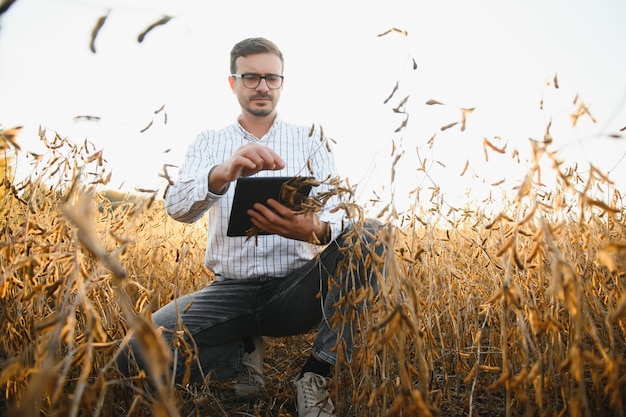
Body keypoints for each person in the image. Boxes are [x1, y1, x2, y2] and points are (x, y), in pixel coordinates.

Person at [121, 37, 385, 417]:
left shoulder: (311, 139)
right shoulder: (209, 142)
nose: (262, 86)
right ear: (234, 83)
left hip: (296, 289)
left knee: (373, 232)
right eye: (251, 77)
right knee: (133, 357)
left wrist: (315, 229)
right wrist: (222, 174)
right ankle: (241, 349)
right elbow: (177, 208)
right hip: (228, 290)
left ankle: (316, 374)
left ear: (281, 83)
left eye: (271, 78)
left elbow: (341, 211)